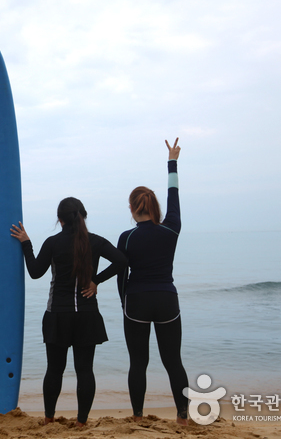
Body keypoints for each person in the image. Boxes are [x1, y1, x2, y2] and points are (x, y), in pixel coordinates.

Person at [10, 198, 126, 427]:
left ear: (60, 219)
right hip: (86, 315)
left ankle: (49, 418)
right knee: (85, 369)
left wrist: (26, 243)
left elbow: (34, 272)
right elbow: (122, 261)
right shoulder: (96, 241)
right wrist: (96, 281)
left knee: (54, 370)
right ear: (83, 216)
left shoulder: (53, 243)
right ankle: (82, 422)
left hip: (58, 315)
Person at [116, 138, 189, 425]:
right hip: (167, 299)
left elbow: (122, 275)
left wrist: (125, 302)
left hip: (137, 301)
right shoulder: (171, 229)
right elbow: (175, 195)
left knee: (139, 363)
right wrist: (172, 162)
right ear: (154, 207)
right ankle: (183, 417)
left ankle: (137, 416)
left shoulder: (127, 237)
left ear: (133, 209)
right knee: (173, 362)